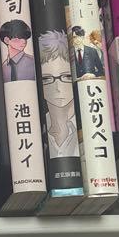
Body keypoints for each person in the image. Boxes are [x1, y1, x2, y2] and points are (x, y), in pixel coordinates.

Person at [38, 28, 78, 159]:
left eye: (66, 77)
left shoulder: (88, 123)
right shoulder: (36, 128)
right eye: (47, 78)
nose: (57, 87)